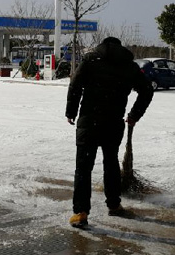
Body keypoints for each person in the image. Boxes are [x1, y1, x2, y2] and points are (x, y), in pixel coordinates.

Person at [65, 37, 154, 228]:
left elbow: (75, 85)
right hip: (113, 123)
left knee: (83, 167)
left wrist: (71, 111)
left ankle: (81, 212)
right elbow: (147, 90)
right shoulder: (129, 66)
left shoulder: (90, 61)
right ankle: (114, 204)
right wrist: (134, 115)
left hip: (89, 122)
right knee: (111, 163)